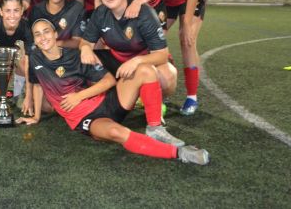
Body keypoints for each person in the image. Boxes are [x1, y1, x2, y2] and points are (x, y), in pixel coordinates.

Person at [16, 19, 209, 165]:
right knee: (117, 132)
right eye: (38, 34)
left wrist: (79, 96)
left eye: (46, 32)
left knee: (145, 70)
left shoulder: (75, 56)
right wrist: (35, 116)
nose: (43, 37)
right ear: (33, 39)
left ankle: (154, 128)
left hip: (108, 102)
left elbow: (109, 80)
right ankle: (181, 153)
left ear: (55, 33)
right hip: (88, 119)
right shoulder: (34, 59)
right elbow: (38, 84)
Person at [80, 0, 177, 97]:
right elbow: (86, 41)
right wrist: (85, 48)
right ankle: (116, 97)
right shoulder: (100, 13)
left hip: (144, 60)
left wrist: (136, 61)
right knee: (85, 62)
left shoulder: (145, 13)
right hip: (117, 58)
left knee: (167, 75)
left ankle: (152, 100)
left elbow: (162, 55)